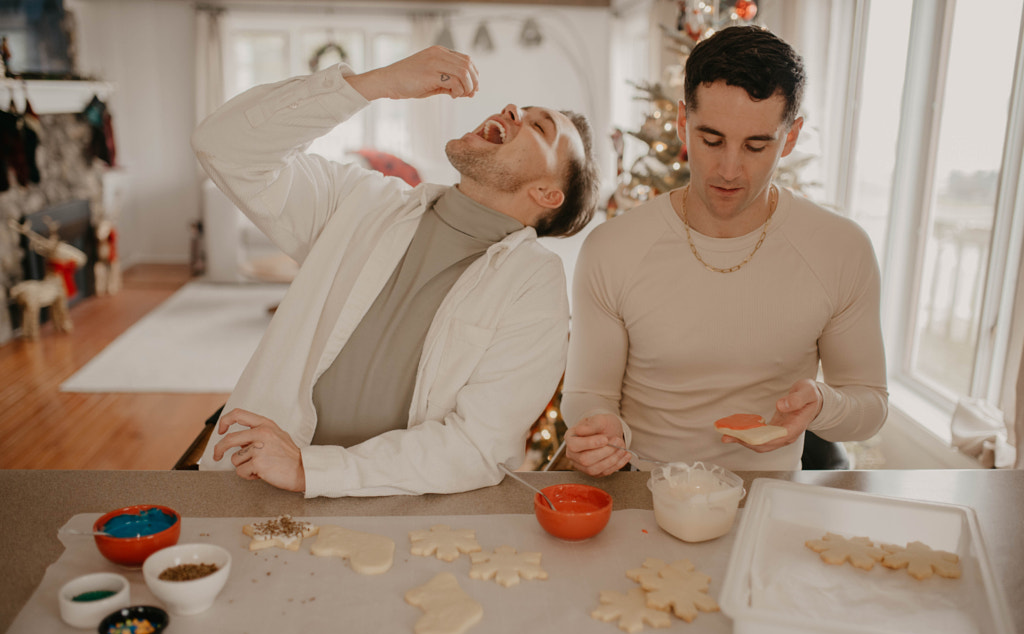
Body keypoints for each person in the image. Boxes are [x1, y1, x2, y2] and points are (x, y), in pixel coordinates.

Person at [191, 46, 599, 496]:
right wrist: (374, 84)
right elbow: (223, 145)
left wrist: (312, 470)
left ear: (546, 193)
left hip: (399, 510)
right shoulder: (361, 202)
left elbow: (478, 446)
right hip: (256, 481)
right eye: (518, 109)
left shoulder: (534, 284)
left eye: (539, 126)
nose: (511, 111)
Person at [561, 26, 887, 475]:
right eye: (711, 140)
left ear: (790, 138)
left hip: (770, 498)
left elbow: (870, 404)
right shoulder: (612, 248)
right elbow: (588, 392)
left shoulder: (841, 249)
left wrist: (824, 405)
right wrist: (597, 427)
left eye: (756, 145)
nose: (729, 169)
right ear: (682, 124)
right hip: (641, 496)